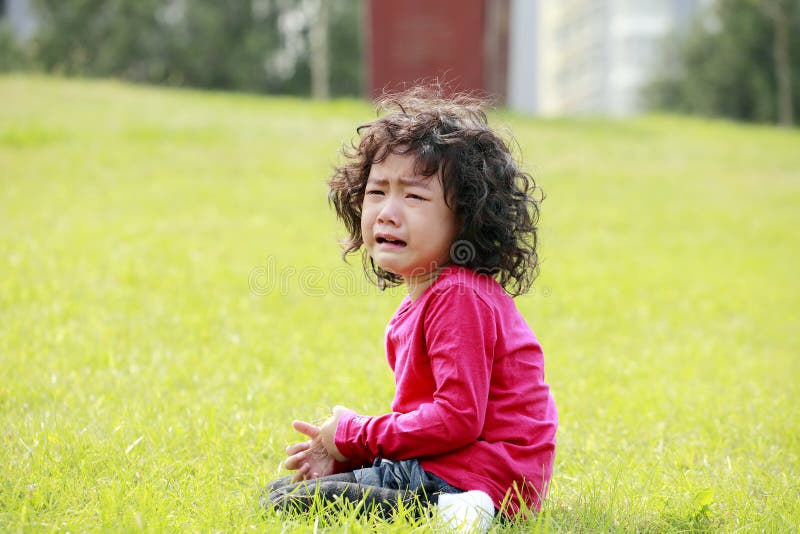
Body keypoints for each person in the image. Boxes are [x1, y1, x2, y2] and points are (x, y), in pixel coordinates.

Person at [262, 87, 558, 530]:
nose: (387, 213)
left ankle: (463, 513)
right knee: (287, 494)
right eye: (377, 192)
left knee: (285, 504)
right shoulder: (427, 298)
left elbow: (457, 420)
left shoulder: (458, 297)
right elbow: (424, 424)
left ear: (466, 217)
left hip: (476, 478)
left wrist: (352, 433)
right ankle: (454, 511)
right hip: (451, 469)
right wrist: (349, 456)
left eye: (414, 197)